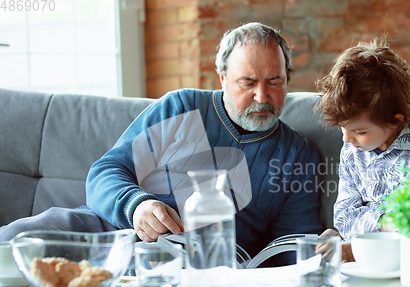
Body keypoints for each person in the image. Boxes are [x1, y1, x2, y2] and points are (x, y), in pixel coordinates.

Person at [0, 22, 323, 261]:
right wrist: (135, 204)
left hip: (190, 260)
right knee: (15, 241)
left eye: (275, 81)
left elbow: (291, 248)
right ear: (222, 78)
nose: (262, 96)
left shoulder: (297, 156)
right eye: (248, 82)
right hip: (107, 227)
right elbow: (107, 171)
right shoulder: (181, 107)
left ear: (287, 79)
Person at [315, 37, 410, 262]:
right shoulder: (352, 150)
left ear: (395, 121)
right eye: (343, 128)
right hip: (363, 262)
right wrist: (385, 223)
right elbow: (343, 218)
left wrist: (360, 242)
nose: (347, 139)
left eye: (360, 131)